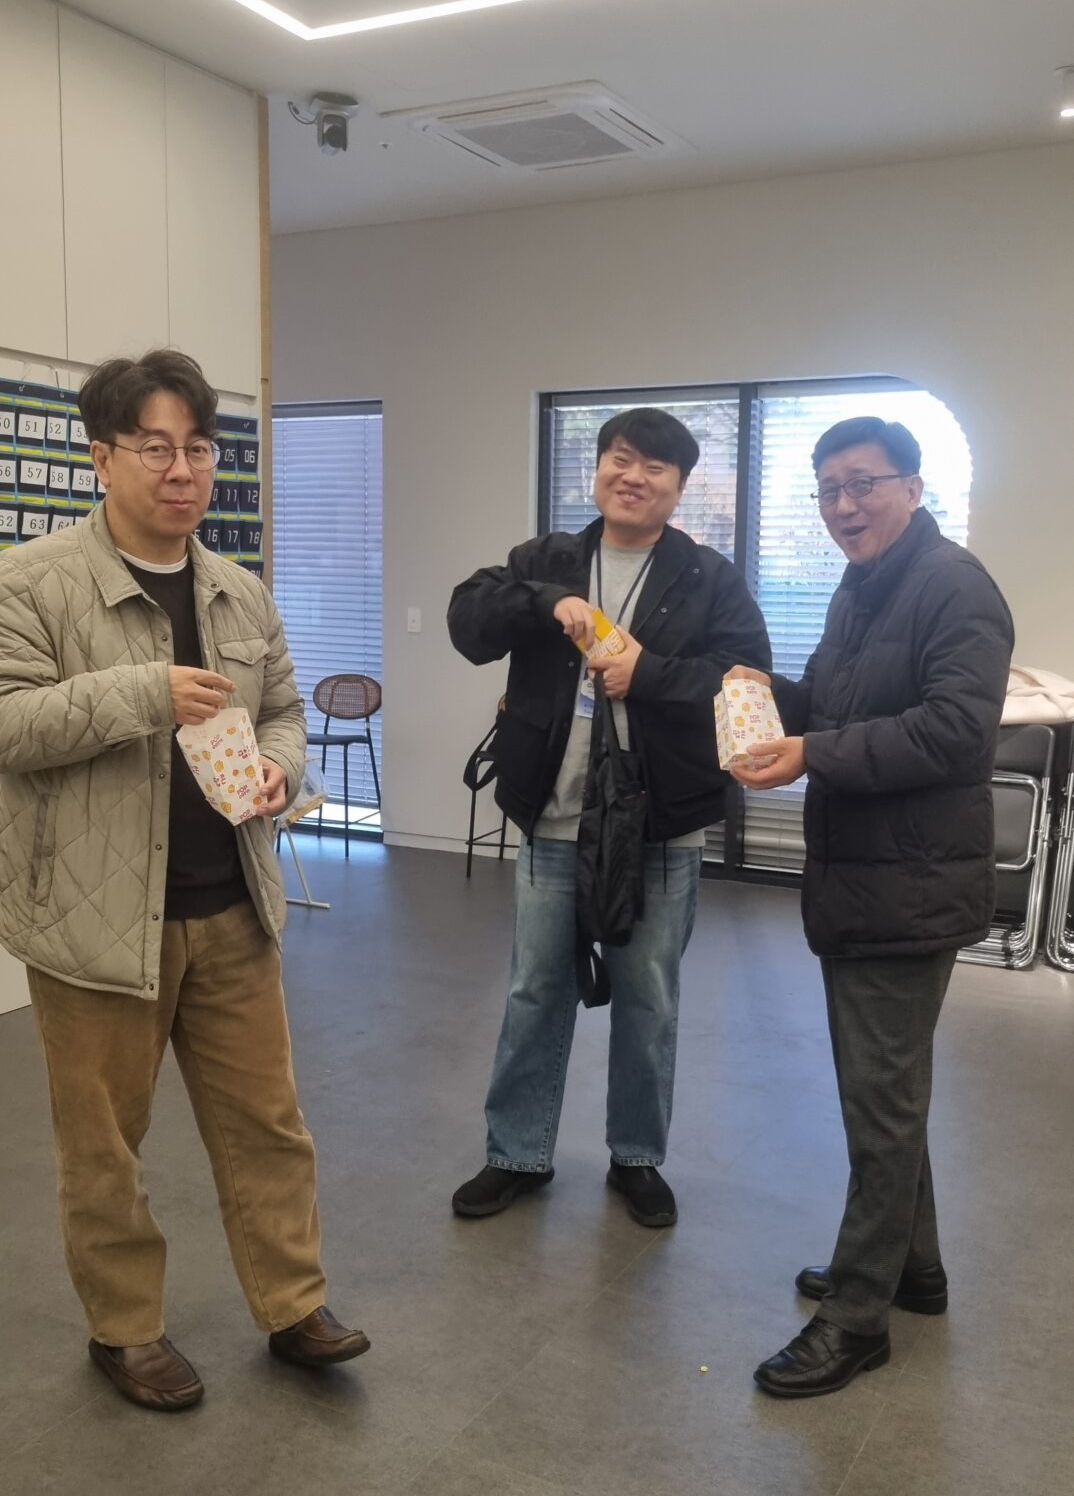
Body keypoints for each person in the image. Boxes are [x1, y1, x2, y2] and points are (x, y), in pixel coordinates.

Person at [0, 349, 369, 1412]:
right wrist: (142, 693)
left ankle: (293, 1305)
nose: (182, 470)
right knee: (106, 1148)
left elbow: (284, 710)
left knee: (269, 1126)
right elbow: (11, 725)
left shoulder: (238, 591)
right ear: (101, 457)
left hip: (233, 908)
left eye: (198, 448)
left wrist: (281, 769)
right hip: (95, 921)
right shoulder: (33, 583)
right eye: (155, 447)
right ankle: (124, 1330)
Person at [730, 415, 1013, 1398]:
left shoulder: (953, 587)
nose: (844, 506)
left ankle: (857, 1317)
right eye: (828, 489)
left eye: (863, 483)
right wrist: (771, 694)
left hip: (910, 886)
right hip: (867, 879)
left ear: (913, 487)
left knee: (880, 1104)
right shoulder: (862, 586)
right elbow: (837, 704)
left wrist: (811, 751)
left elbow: (955, 732)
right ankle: (913, 1272)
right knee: (885, 1094)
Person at [447, 407, 771, 1227]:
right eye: (620, 458)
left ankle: (636, 1158)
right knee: (534, 992)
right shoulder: (549, 558)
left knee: (648, 999)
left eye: (655, 467)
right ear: (596, 470)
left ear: (679, 487)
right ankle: (516, 1153)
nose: (634, 477)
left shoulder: (708, 578)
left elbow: (748, 681)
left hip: (660, 826)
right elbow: (468, 621)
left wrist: (648, 673)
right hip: (554, 818)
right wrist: (549, 601)